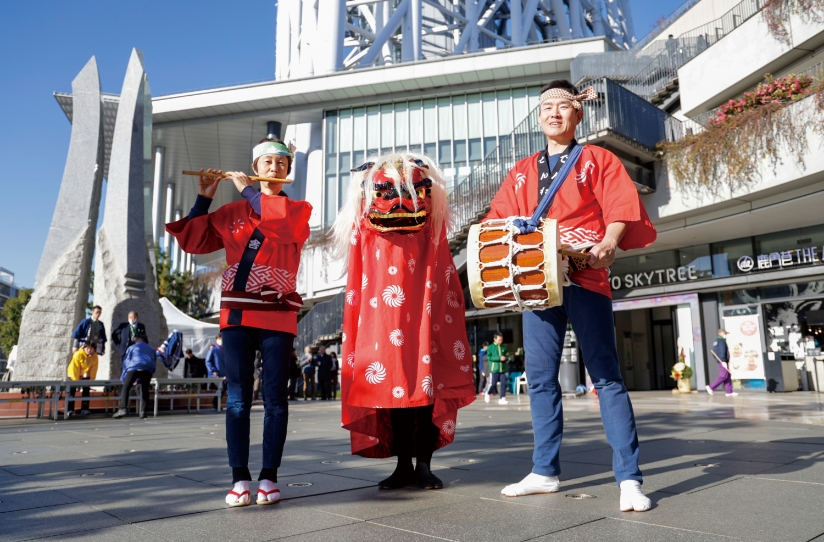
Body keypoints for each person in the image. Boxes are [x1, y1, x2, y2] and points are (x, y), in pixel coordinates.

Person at [484, 79, 657, 512]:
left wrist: (609, 242)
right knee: (541, 379)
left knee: (605, 376)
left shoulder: (597, 158)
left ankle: (630, 480)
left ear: (578, 114)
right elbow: (498, 220)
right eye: (547, 109)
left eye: (563, 107)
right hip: (536, 279)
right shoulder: (522, 170)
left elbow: (619, 207)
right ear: (540, 117)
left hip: (584, 273)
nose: (554, 114)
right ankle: (544, 471)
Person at [166, 136, 311, 507]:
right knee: (237, 398)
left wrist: (247, 192)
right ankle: (240, 478)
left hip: (278, 312)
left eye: (282, 163)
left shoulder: (299, 210)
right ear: (256, 166)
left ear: (288, 170)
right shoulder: (231, 214)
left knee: (277, 398)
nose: (275, 167)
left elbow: (276, 223)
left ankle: (270, 476)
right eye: (268, 162)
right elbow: (193, 241)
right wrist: (204, 197)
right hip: (237, 313)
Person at [333, 152, 476, 491]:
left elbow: (441, 265)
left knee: (425, 385)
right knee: (393, 386)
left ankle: (423, 463)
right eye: (384, 193)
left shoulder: (431, 224)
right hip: (383, 314)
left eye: (409, 192)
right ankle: (402, 463)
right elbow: (360, 271)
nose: (397, 203)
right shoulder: (365, 227)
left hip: (423, 310)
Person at [112, 337, 158, 419]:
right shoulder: (151, 349)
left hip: (134, 367)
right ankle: (143, 412)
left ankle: (122, 409)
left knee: (126, 387)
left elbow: (126, 362)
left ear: (136, 342)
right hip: (148, 369)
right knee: (145, 389)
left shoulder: (132, 347)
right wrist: (151, 371)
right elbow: (154, 361)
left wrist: (123, 378)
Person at [67, 343, 97, 417]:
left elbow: (94, 368)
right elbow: (75, 368)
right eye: (88, 348)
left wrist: (91, 379)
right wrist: (76, 381)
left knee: (86, 391)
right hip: (74, 375)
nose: (89, 350)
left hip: (85, 375)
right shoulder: (78, 354)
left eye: (91, 349)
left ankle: (85, 409)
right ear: (84, 348)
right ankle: (70, 410)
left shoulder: (94, 356)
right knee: (72, 392)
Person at [706, 329, 738, 397]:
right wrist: (723, 361)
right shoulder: (721, 341)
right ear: (721, 333)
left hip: (723, 360)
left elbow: (715, 352)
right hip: (722, 361)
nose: (726, 335)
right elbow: (722, 351)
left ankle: (729, 391)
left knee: (727, 376)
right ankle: (711, 387)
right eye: (725, 333)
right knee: (723, 376)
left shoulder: (717, 341)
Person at [484, 333, 509, 405]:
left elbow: (508, 356)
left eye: (501, 340)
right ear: (494, 339)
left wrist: (506, 358)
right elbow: (489, 357)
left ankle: (502, 398)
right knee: (493, 383)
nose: (500, 341)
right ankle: (487, 393)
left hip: (502, 369)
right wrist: (499, 358)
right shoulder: (491, 347)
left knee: (503, 383)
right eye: (499, 340)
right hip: (494, 369)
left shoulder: (504, 348)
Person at [206, 334, 226, 410]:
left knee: (223, 389)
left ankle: (216, 403)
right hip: (216, 373)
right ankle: (215, 403)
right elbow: (208, 361)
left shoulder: (224, 349)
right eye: (220, 339)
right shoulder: (213, 350)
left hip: (224, 373)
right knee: (221, 388)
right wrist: (213, 370)